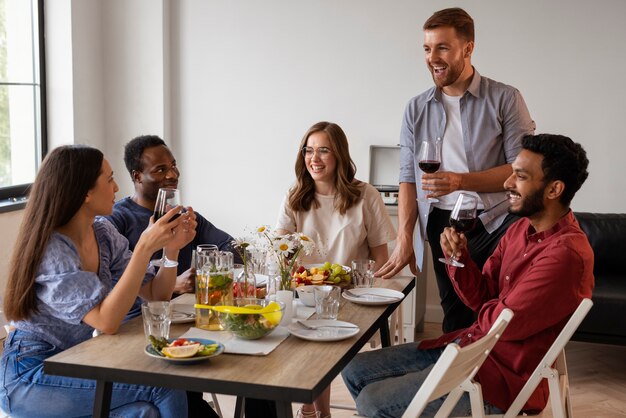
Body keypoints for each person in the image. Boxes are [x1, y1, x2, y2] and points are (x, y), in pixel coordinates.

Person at [342, 133, 594, 417]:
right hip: (470, 348)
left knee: (373, 402)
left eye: (520, 176)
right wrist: (458, 259)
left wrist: (498, 307)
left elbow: (502, 323)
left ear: (554, 189)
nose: (507, 183)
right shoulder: (519, 230)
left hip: (498, 378)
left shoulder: (565, 255)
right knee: (354, 369)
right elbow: (483, 298)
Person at [0, 145, 196, 417]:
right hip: (31, 372)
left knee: (145, 410)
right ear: (85, 193)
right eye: (110, 179)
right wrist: (143, 248)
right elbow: (106, 321)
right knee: (163, 387)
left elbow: (156, 295)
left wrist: (171, 250)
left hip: (77, 360)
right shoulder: (53, 250)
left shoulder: (102, 232)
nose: (117, 187)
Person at [377, 7, 537, 333]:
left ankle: (497, 380)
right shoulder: (415, 108)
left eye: (442, 47)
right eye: (427, 48)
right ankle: (457, 383)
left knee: (500, 313)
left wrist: (460, 181)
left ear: (468, 48)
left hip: (496, 222)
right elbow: (408, 177)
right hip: (443, 224)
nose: (432, 57)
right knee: (455, 317)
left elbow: (521, 172)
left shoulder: (505, 99)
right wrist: (405, 236)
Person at [274, 121, 396, 418]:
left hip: (352, 295)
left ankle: (312, 411)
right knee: (303, 334)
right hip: (305, 294)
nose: (314, 159)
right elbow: (281, 254)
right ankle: (315, 412)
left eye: (323, 151)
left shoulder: (365, 195)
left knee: (322, 343)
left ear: (339, 154)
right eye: (309, 150)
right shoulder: (295, 195)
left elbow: (381, 259)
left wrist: (372, 294)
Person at [107, 134, 233, 418]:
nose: (172, 174)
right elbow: (115, 282)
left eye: (173, 166)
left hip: (182, 322)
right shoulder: (115, 221)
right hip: (134, 331)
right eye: (161, 169)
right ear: (137, 176)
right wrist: (173, 284)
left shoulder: (184, 215)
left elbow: (231, 248)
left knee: (252, 368)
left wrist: (205, 271)